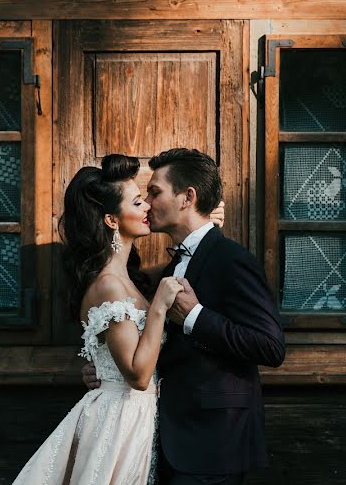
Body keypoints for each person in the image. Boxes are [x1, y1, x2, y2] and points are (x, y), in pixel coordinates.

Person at [12, 154, 225, 485]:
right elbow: (139, 376)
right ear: (112, 220)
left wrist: (205, 225)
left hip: (140, 417)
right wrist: (158, 308)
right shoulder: (110, 285)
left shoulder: (130, 279)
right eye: (139, 202)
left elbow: (177, 269)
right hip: (119, 420)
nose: (148, 209)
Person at [83, 148, 285, 484]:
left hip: (214, 442)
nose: (147, 202)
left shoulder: (230, 259)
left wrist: (195, 315)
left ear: (186, 197)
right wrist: (106, 366)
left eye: (155, 192)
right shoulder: (174, 264)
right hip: (168, 437)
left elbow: (271, 346)